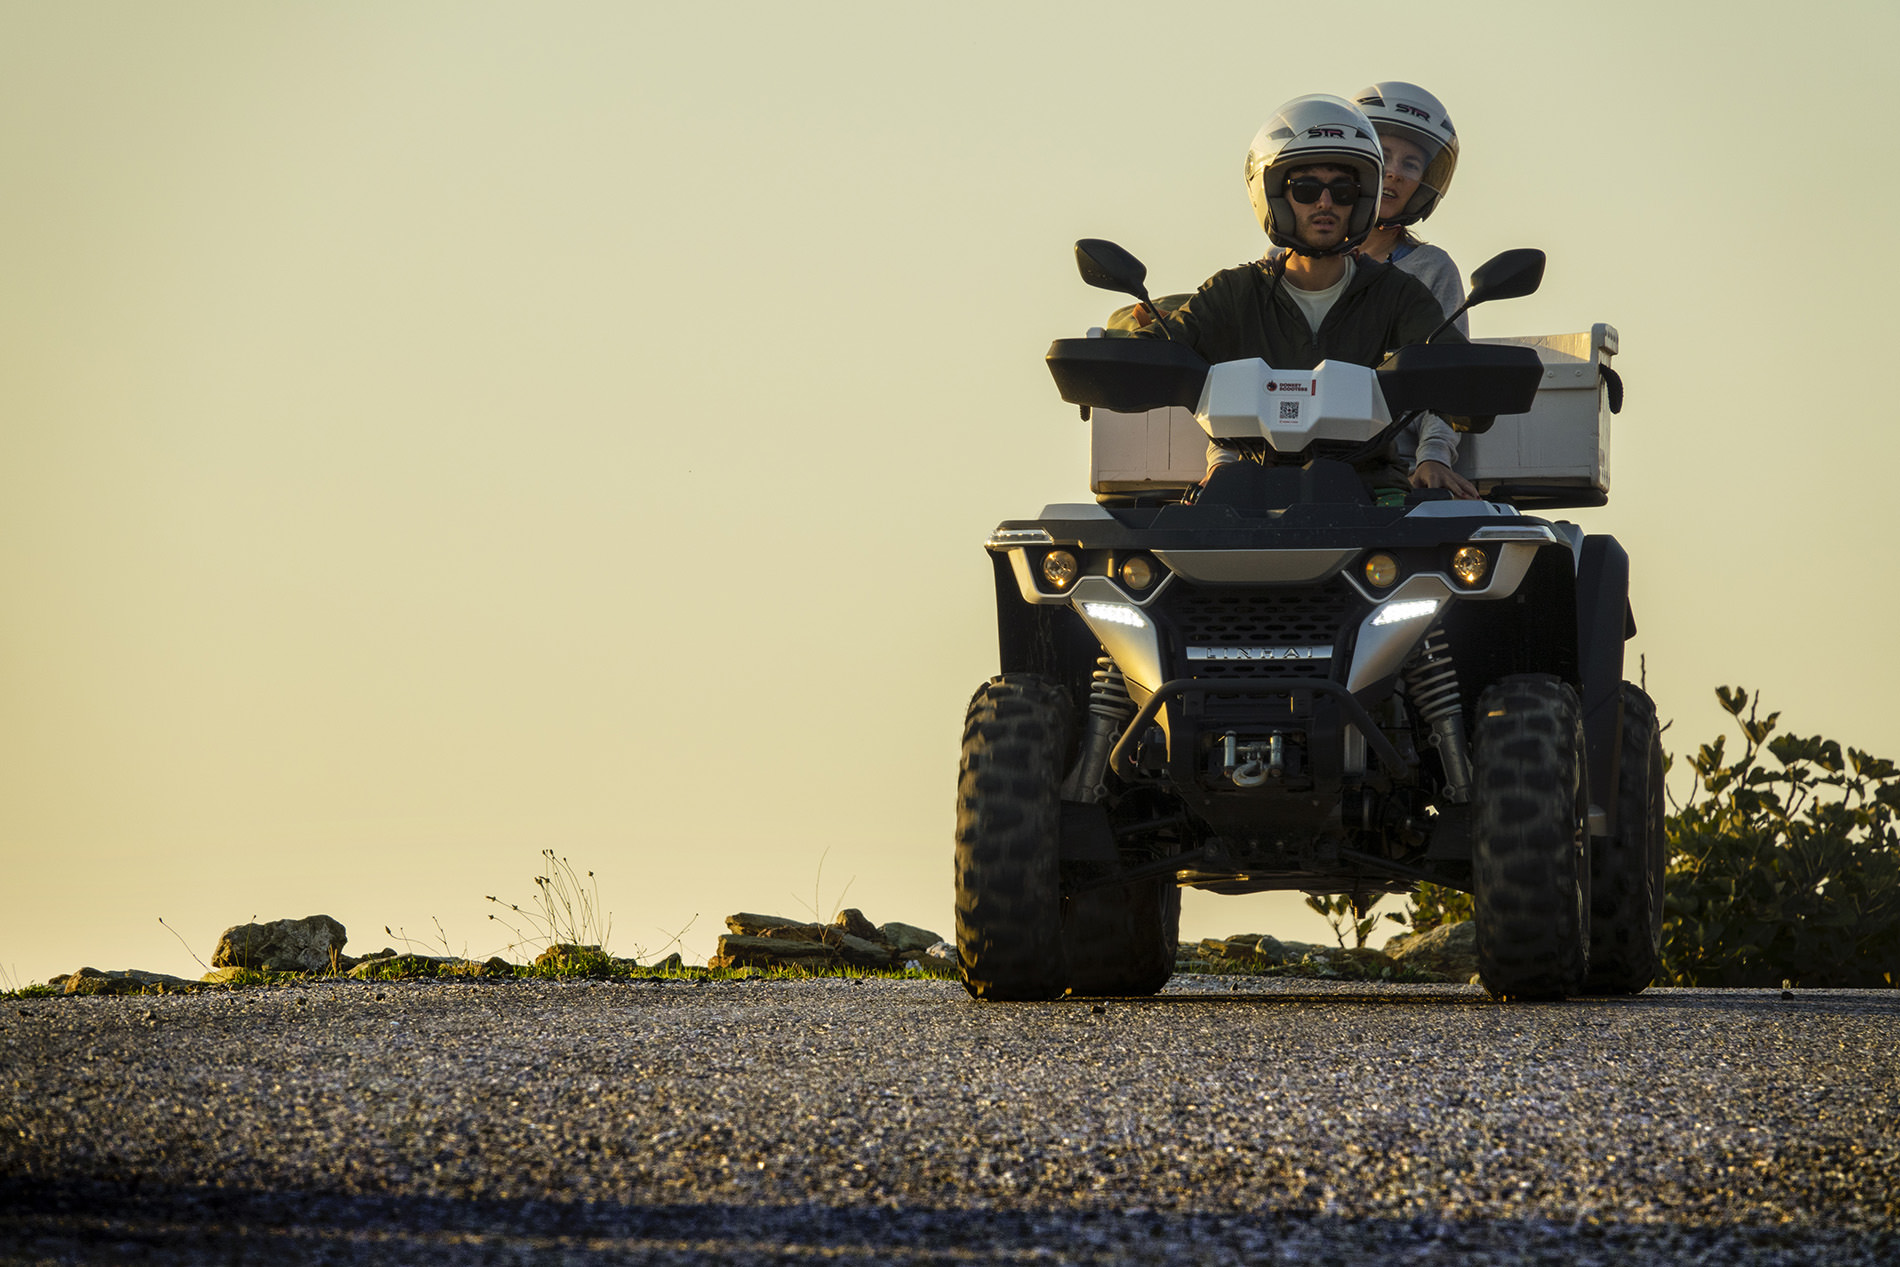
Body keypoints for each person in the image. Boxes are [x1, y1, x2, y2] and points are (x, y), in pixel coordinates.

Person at [1138, 93, 1475, 499]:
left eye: (1344, 190)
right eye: (1306, 188)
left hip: (1372, 489)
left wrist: (1437, 448)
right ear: (1279, 197)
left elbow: (1454, 372)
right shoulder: (1239, 289)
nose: (1325, 203)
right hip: (1250, 483)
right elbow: (1203, 366)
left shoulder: (1399, 292)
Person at [1350, 81, 1466, 334]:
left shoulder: (1433, 268)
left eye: (1411, 165)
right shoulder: (1292, 257)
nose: (1394, 173)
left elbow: (1450, 365)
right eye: (1383, 156)